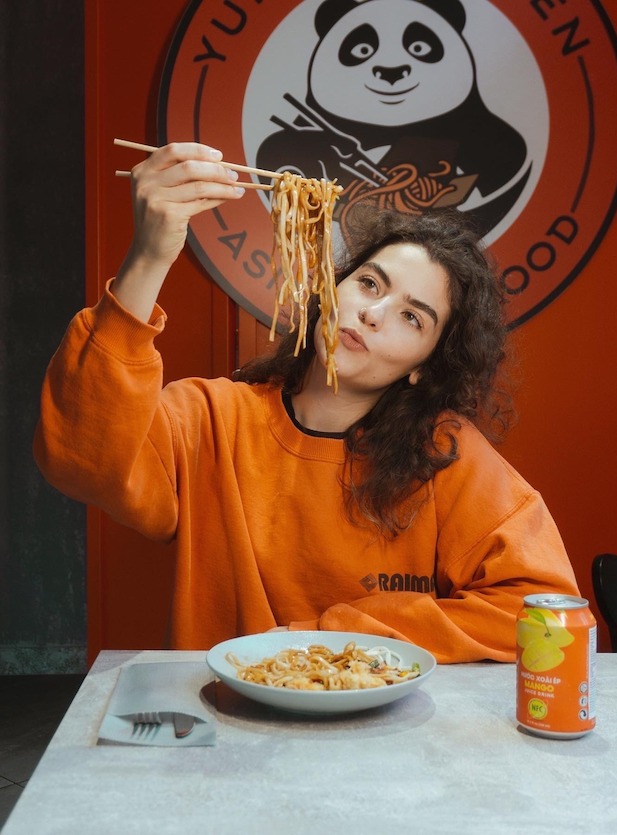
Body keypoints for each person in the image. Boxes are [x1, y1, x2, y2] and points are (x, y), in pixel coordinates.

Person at [33, 142, 579, 663]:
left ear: (424, 367)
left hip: (380, 721)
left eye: (412, 317)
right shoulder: (211, 419)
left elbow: (542, 612)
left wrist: (337, 640)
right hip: (223, 715)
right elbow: (81, 461)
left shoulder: (445, 456)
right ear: (331, 287)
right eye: (370, 283)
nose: (372, 313)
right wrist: (149, 258)